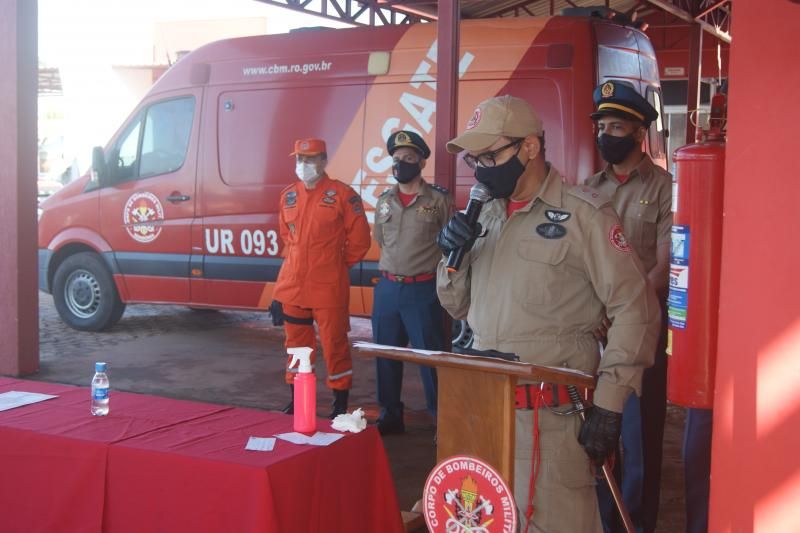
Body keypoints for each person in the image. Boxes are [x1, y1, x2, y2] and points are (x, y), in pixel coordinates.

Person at [435, 95, 661, 532]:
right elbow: (457, 305)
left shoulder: (584, 215)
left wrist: (611, 403)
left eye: (490, 156)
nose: (481, 170)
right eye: (474, 160)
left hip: (550, 424)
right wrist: (452, 256)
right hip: (483, 414)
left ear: (530, 147)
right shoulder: (484, 216)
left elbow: (636, 309)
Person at [585, 81, 672, 533]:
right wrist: (593, 312)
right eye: (602, 127)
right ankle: (602, 520)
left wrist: (624, 314)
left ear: (639, 134)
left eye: (616, 128)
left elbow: (666, 263)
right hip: (593, 329)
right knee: (597, 431)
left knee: (639, 439)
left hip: (640, 329)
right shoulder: (588, 188)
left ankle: (635, 523)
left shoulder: (663, 188)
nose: (606, 136)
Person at [272, 138, 371, 419]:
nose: (304, 164)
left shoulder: (343, 195)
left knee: (334, 346)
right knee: (295, 347)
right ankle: (299, 401)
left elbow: (360, 241)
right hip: (293, 288)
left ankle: (339, 405)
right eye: (300, 159)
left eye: (311, 159)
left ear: (324, 160)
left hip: (328, 288)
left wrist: (334, 265)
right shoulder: (288, 195)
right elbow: (287, 239)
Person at [372, 130, 453, 435]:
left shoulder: (439, 200)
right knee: (385, 356)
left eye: (408, 158)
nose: (401, 163)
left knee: (429, 358)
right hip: (388, 288)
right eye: (396, 158)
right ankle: (390, 414)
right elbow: (380, 239)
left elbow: (451, 244)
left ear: (421, 162)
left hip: (423, 289)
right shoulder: (384, 201)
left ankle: (441, 420)